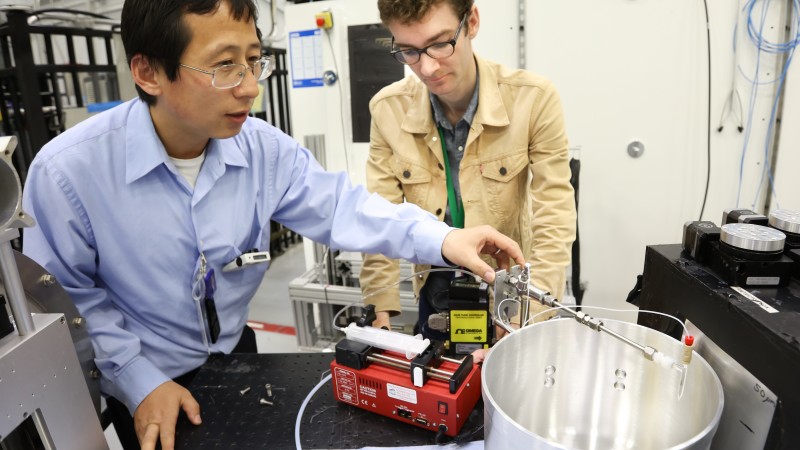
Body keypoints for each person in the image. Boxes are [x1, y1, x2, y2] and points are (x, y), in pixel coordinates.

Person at [20, 1, 525, 449]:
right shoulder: (68, 173)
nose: (249, 86)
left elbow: (342, 208)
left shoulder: (262, 150)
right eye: (223, 66)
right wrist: (138, 380)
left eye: (253, 60)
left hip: (234, 356)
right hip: (145, 376)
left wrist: (444, 238)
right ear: (149, 72)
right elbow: (68, 298)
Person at [360, 0, 577, 337]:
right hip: (436, 289)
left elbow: (555, 215)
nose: (428, 68)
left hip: (509, 291)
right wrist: (379, 312)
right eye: (409, 51)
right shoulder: (387, 110)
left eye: (440, 44)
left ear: (471, 21)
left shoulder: (533, 100)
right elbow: (380, 218)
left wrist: (529, 312)